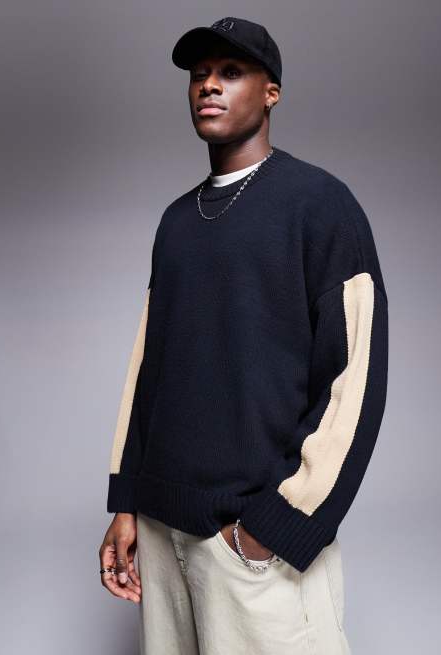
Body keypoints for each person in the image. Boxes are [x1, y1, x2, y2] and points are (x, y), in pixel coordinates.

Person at [99, 16, 388, 655]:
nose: (209, 85)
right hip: (161, 531)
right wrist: (127, 503)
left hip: (252, 540)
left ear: (271, 92)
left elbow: (355, 380)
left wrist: (276, 527)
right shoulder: (176, 222)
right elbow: (149, 369)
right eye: (199, 75)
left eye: (231, 73)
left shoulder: (320, 204)